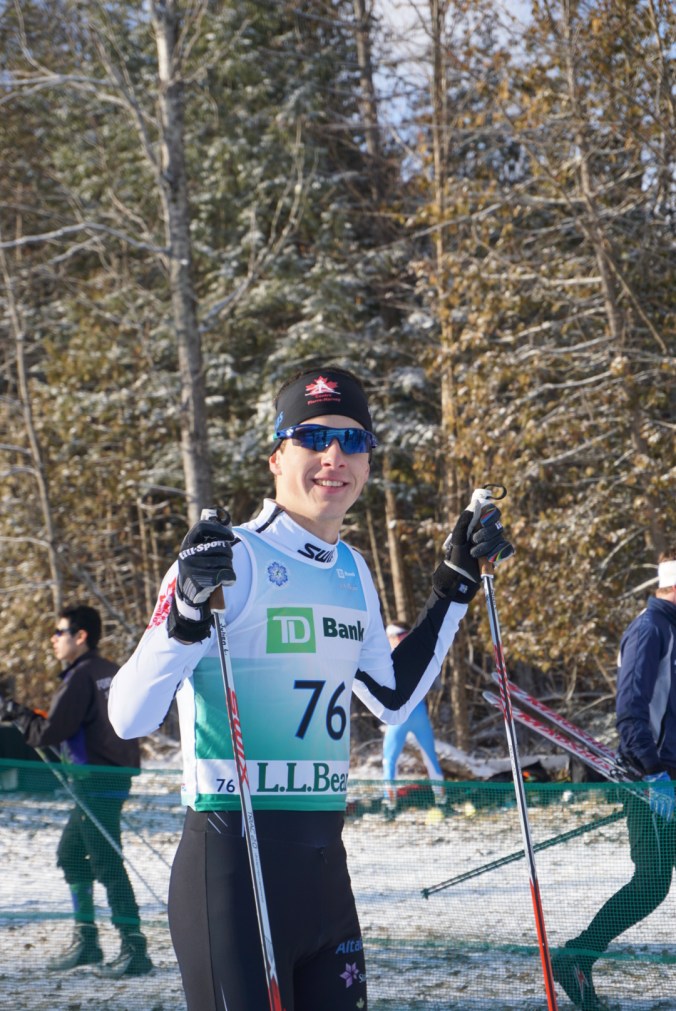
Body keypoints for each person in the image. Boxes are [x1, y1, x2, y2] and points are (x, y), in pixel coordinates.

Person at [108, 364, 513, 1011]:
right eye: (314, 437)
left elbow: (392, 698)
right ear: (276, 456)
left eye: (353, 441)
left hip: (326, 875)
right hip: (233, 873)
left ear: (368, 462)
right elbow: (128, 716)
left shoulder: (353, 569)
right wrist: (183, 615)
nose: (334, 456)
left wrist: (456, 584)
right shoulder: (229, 558)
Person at [551, 551, 676, 1010]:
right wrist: (654, 773)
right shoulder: (651, 629)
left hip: (668, 775)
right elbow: (631, 713)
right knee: (650, 885)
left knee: (652, 884)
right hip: (650, 780)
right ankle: (576, 957)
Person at [0, 604, 153, 977]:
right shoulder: (109, 671)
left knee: (106, 861)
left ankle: (134, 947)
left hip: (94, 780)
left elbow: (49, 732)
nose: (54, 640)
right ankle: (86, 940)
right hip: (111, 776)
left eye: (59, 632)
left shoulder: (80, 678)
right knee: (71, 854)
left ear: (80, 636)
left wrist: (15, 712)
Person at [382, 621, 445, 809]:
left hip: (401, 714)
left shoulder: (388, 657)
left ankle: (389, 804)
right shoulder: (417, 653)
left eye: (394, 636)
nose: (392, 640)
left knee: (389, 760)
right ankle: (441, 801)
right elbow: (435, 681)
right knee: (429, 758)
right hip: (416, 713)